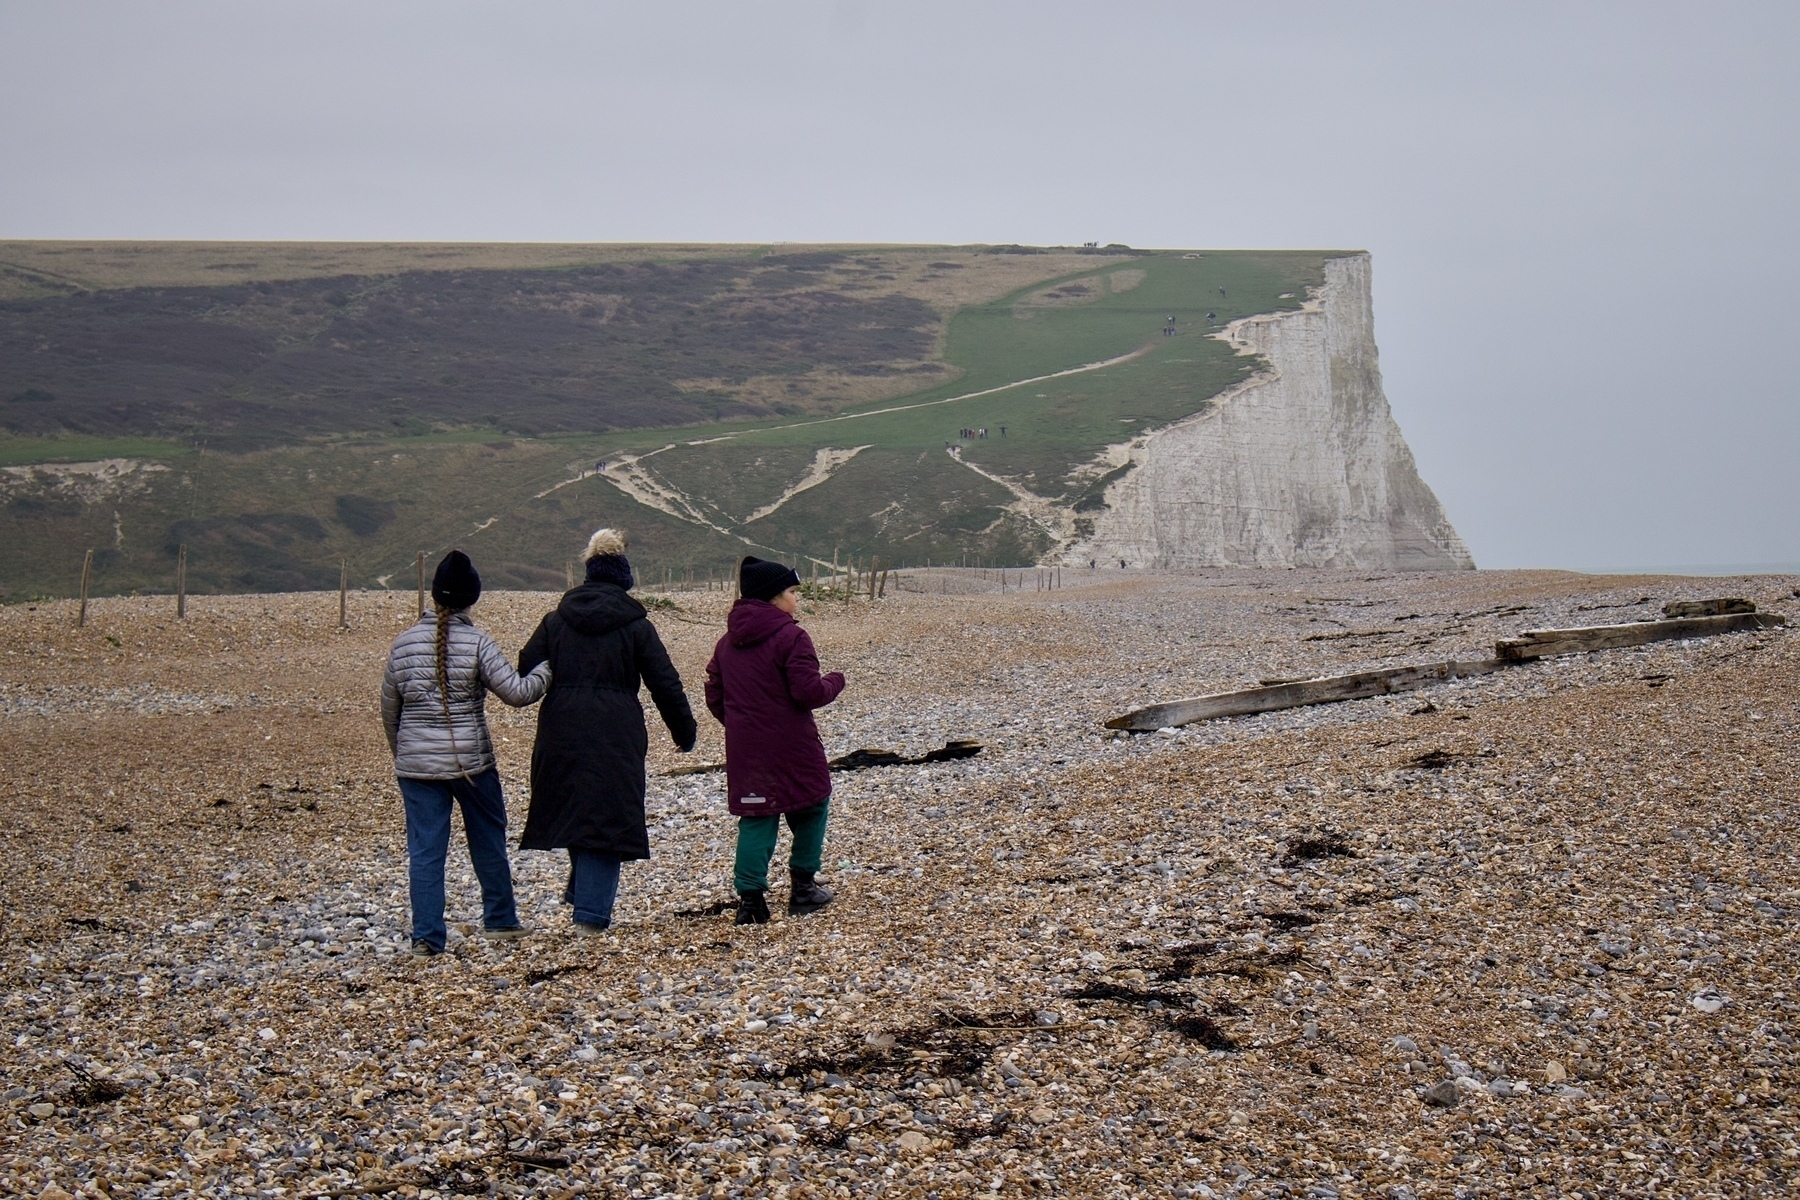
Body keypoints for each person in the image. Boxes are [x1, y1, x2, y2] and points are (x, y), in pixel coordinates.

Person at [517, 529, 696, 935]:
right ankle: (591, 918)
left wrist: (560, 675)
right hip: (616, 728)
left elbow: (527, 667)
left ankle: (584, 893)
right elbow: (664, 681)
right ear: (623, 577)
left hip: (560, 724)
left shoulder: (556, 620)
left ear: (588, 573)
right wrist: (684, 731)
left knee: (577, 807)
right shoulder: (635, 625)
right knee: (606, 817)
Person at [381, 550, 550, 958]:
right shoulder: (477, 643)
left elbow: (390, 712)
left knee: (425, 853)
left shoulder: (402, 645)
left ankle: (426, 937)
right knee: (488, 840)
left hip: (416, 767)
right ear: (471, 597)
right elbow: (518, 693)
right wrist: (548, 669)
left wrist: (404, 754)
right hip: (471, 764)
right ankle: (500, 920)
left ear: (434, 595)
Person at [705, 557, 846, 924]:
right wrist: (836, 680)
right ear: (773, 597)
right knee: (813, 803)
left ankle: (751, 903)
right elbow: (807, 692)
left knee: (756, 817)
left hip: (747, 750)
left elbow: (715, 696)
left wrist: (742, 725)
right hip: (793, 744)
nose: (796, 599)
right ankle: (803, 887)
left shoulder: (725, 644)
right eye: (792, 592)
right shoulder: (793, 636)